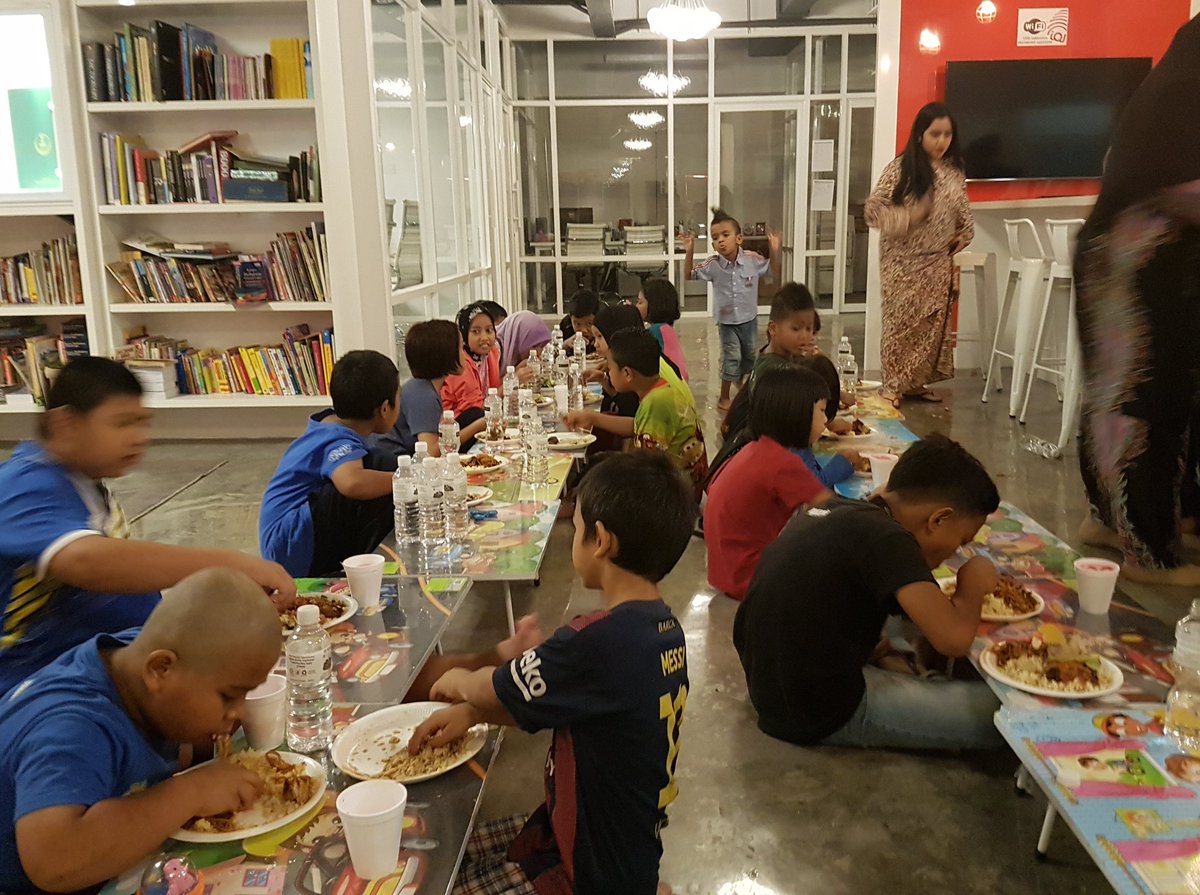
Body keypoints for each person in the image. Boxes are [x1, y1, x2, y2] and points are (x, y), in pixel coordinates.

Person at [406, 451, 696, 895]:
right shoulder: (664, 631)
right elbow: (566, 706)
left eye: (576, 528)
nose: (572, 537)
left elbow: (497, 684)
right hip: (626, 847)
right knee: (450, 847)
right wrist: (472, 714)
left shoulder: (596, 642)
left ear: (600, 541)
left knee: (434, 872)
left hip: (588, 872)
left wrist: (462, 684)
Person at [0, 358, 295, 696]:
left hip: (114, 662)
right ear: (65, 423)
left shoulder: (84, 481)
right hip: (42, 692)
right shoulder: (24, 484)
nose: (140, 438)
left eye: (143, 422)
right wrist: (232, 564)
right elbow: (88, 562)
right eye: (123, 423)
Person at [0, 568, 281, 894]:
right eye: (228, 696)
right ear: (160, 669)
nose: (239, 712)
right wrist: (194, 792)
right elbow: (53, 862)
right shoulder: (71, 731)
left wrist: (198, 749)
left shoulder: (138, 657)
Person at [734, 435, 1004, 750]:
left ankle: (896, 664)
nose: (957, 551)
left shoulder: (850, 509)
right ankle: (912, 679)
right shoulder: (890, 540)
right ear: (938, 518)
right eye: (961, 540)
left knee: (896, 601)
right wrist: (972, 581)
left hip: (770, 683)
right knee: (1001, 716)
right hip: (817, 710)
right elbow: (954, 639)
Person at [1074, 17, 1200, 586]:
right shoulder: (1182, 95)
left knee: (1112, 395)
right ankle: (1147, 551)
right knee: (1147, 398)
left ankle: (1108, 520)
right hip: (1140, 257)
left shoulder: (1166, 90)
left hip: (1115, 249)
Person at [866, 102, 974, 408]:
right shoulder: (900, 169)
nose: (942, 141)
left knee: (929, 327)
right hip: (901, 261)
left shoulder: (954, 172)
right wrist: (909, 216)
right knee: (900, 324)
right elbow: (872, 212)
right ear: (919, 135)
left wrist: (963, 236)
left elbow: (964, 216)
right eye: (934, 134)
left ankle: (914, 384)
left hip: (937, 261)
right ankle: (892, 385)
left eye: (947, 134)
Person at [260, 350, 402, 578]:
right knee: (380, 471)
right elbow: (351, 483)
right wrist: (410, 480)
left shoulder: (328, 423)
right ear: (385, 408)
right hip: (290, 546)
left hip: (288, 538)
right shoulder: (336, 437)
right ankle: (366, 567)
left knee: (380, 463)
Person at [705, 367, 832, 601]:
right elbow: (831, 509)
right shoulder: (782, 462)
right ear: (797, 414)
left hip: (724, 571)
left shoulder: (756, 449)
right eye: (822, 411)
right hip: (752, 578)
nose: (826, 419)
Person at [565, 329, 708, 499]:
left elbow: (645, 470)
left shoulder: (656, 402)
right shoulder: (660, 390)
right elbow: (637, 425)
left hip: (674, 495)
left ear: (627, 373)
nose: (608, 373)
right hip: (676, 482)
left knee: (596, 484)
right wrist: (592, 417)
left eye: (610, 368)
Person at [683, 208, 782, 411]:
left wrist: (774, 248)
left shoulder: (752, 260)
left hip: (749, 320)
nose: (720, 241)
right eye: (715, 237)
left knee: (749, 357)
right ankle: (724, 397)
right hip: (727, 322)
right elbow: (689, 275)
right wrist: (689, 250)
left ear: (739, 238)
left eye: (725, 235)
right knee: (732, 357)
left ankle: (744, 386)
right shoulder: (713, 265)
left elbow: (773, 271)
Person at [377, 320, 487, 457]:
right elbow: (431, 452)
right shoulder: (422, 394)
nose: (464, 355)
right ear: (445, 355)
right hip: (396, 461)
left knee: (474, 414)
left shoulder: (423, 387)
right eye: (460, 348)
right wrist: (479, 426)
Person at [441, 303, 501, 425]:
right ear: (463, 335)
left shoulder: (490, 354)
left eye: (489, 330)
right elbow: (476, 409)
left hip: (478, 419)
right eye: (476, 332)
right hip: (451, 428)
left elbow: (492, 394)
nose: (484, 337)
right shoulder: (460, 363)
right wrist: (506, 387)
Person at [637, 277, 689, 382]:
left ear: (654, 305)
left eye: (640, 302)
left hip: (669, 384)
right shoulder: (665, 328)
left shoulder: (657, 330)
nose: (636, 306)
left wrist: (631, 317)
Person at [495, 309, 552, 384]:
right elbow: (488, 390)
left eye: (542, 346)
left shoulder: (512, 350)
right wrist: (514, 378)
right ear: (517, 337)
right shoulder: (492, 349)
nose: (538, 352)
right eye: (534, 346)